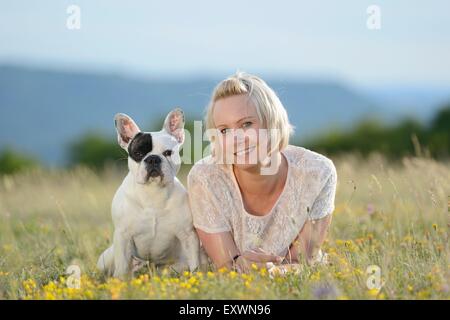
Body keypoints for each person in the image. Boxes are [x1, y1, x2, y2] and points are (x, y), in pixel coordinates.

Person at [187, 71, 337, 273]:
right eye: (224, 130)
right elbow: (228, 268)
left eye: (246, 124)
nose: (236, 139)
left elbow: (301, 265)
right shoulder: (205, 178)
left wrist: (270, 272)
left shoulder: (318, 173)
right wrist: (244, 267)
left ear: (271, 122)